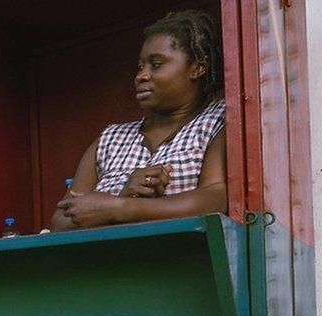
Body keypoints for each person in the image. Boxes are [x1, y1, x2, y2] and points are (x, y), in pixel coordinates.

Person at [52, 10, 226, 231]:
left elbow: (215, 199)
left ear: (197, 67)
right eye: (140, 66)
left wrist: (118, 207)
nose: (141, 76)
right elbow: (59, 222)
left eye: (156, 64)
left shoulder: (216, 121)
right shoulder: (110, 139)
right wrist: (125, 193)